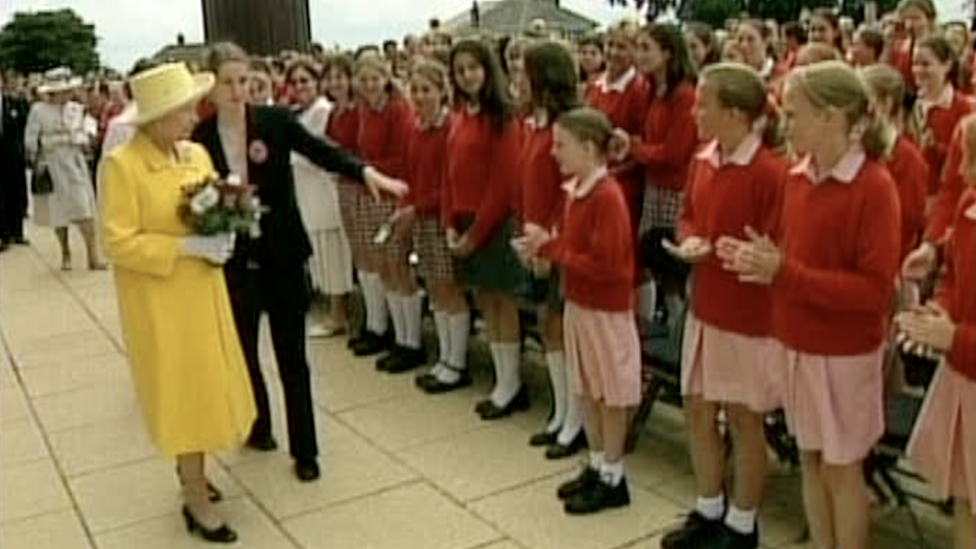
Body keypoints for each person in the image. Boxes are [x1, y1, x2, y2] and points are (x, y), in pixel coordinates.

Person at [192, 42, 407, 482]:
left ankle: (305, 449)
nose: (236, 91)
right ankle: (258, 422)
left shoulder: (273, 121)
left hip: (282, 255)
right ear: (210, 87)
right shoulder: (201, 138)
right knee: (243, 350)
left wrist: (365, 172)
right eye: (226, 83)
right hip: (232, 260)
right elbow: (191, 191)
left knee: (293, 355)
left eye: (243, 81)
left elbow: (322, 150)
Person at [723, 61, 901, 549]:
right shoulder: (797, 177)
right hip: (795, 340)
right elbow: (791, 257)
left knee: (842, 469)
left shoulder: (874, 187)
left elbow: (873, 292)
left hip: (843, 353)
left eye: (796, 113)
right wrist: (759, 261)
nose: (787, 124)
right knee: (810, 458)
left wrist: (785, 272)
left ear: (832, 117)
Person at [100, 62, 256, 544]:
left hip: (204, 294)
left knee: (210, 386)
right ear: (157, 118)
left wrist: (226, 235)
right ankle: (194, 493)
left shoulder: (196, 154)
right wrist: (183, 248)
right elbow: (118, 242)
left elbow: (214, 206)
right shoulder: (122, 165)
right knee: (185, 393)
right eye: (185, 109)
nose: (194, 116)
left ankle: (194, 469)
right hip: (162, 303)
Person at [659, 62, 785, 549]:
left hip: (748, 316)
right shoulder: (704, 158)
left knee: (743, 417)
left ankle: (743, 521)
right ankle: (709, 505)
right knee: (696, 405)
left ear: (734, 113)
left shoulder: (769, 171)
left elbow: (776, 245)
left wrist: (728, 251)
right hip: (706, 303)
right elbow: (688, 215)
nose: (695, 111)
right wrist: (692, 241)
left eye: (704, 104)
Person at [516, 107, 639, 515]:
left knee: (609, 394)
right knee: (587, 387)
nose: (554, 153)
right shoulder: (576, 190)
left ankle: (614, 475)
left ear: (589, 148)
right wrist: (544, 245)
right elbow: (573, 248)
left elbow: (609, 266)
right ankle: (598, 461)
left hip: (604, 310)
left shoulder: (607, 196)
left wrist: (552, 250)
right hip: (580, 304)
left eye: (561, 145)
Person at [896, 114, 976, 549]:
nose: (962, 172)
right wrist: (938, 312)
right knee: (965, 496)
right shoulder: (968, 205)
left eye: (972, 163)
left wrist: (954, 338)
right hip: (964, 374)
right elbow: (952, 278)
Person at [443, 39, 528, 416]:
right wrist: (449, 223)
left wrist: (475, 233)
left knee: (502, 301)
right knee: (484, 300)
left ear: (488, 69)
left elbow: (503, 184)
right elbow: (449, 173)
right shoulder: (460, 114)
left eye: (473, 68)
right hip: (462, 219)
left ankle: (511, 384)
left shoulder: (504, 117)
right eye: (460, 70)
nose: (467, 76)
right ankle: (501, 377)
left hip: (492, 222)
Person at [520, 41, 587, 459]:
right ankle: (562, 411)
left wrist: (550, 240)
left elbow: (570, 189)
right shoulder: (536, 122)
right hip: (536, 234)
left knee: (563, 327)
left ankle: (575, 418)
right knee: (549, 326)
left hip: (558, 238)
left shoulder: (569, 124)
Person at [397, 60, 472, 393]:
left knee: (449, 287)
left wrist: (420, 207)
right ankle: (444, 355)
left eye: (427, 89)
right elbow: (413, 174)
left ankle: (457, 362)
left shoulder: (449, 128)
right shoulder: (416, 127)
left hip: (441, 216)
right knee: (434, 286)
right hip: (420, 217)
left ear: (442, 91)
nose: (420, 96)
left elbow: (450, 182)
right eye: (415, 90)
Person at [287, 60, 353, 339]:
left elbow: (316, 153)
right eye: (296, 81)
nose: (301, 86)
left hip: (324, 192)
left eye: (306, 80)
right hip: (307, 194)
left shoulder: (322, 111)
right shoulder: (300, 113)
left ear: (317, 83)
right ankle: (332, 310)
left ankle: (339, 314)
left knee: (333, 254)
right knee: (321, 256)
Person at [24, 67, 105, 271]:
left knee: (84, 206)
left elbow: (86, 130)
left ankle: (92, 254)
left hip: (74, 162)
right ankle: (65, 252)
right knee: (58, 212)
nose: (68, 93)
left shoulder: (76, 109)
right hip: (52, 164)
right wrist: (37, 155)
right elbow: (31, 139)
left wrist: (85, 138)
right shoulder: (38, 110)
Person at [908, 35, 972, 200]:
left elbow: (967, 157)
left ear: (947, 65)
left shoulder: (962, 107)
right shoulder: (914, 105)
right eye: (915, 64)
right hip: (918, 191)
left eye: (926, 64)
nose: (918, 70)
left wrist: (935, 148)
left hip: (946, 196)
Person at [0, 69, 30, 251]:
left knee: (15, 194)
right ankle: (3, 235)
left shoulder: (14, 104)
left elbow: (24, 129)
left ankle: (17, 232)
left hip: (13, 157)